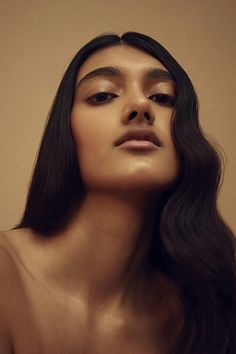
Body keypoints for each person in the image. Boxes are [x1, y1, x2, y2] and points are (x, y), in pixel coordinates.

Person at [0, 32, 235, 354]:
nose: (140, 105)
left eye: (163, 98)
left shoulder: (201, 313)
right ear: (65, 132)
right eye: (102, 95)